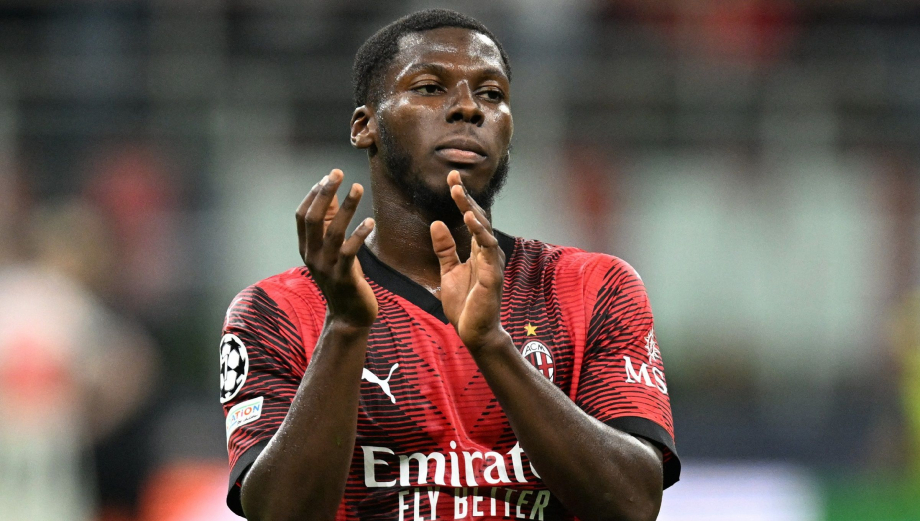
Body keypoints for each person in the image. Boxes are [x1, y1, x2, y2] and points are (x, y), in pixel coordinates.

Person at [219, 9, 679, 520]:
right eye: (430, 88)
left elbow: (634, 504)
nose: (468, 108)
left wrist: (492, 346)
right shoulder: (277, 311)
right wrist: (346, 326)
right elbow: (280, 513)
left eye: (492, 94)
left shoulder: (591, 287)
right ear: (365, 126)